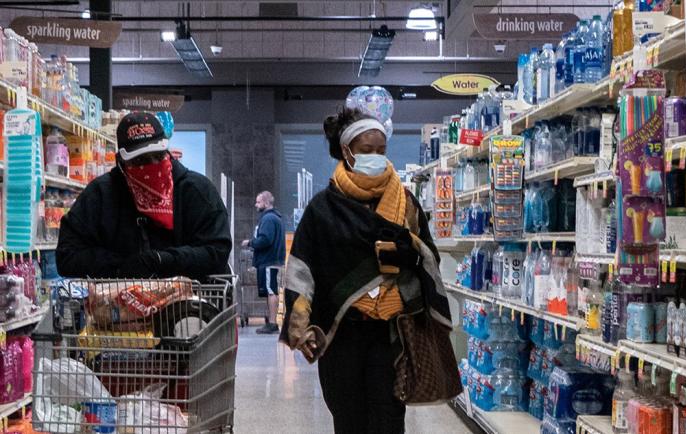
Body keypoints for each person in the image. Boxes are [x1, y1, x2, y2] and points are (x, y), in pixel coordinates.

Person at [279, 107, 457, 434]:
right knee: (348, 420)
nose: (377, 157)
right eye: (366, 151)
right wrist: (299, 325)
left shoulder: (406, 203)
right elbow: (302, 269)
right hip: (341, 333)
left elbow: (430, 256)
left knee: (389, 419)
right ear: (346, 152)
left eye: (381, 151)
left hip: (391, 335)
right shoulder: (322, 208)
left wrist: (411, 252)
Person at [56, 112, 232, 281]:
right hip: (121, 306)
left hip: (194, 306)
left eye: (159, 156)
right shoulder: (100, 195)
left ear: (168, 152)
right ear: (122, 162)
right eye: (141, 161)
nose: (153, 166)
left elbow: (217, 251)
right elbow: (67, 256)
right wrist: (124, 266)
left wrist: (161, 260)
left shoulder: (197, 191)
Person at [240, 191, 286, 334]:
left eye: (258, 202)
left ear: (266, 203)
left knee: (271, 291)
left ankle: (272, 323)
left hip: (268, 260)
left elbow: (265, 239)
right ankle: (272, 323)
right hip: (273, 260)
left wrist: (250, 243)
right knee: (271, 290)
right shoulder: (275, 218)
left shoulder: (269, 219)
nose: (256, 204)